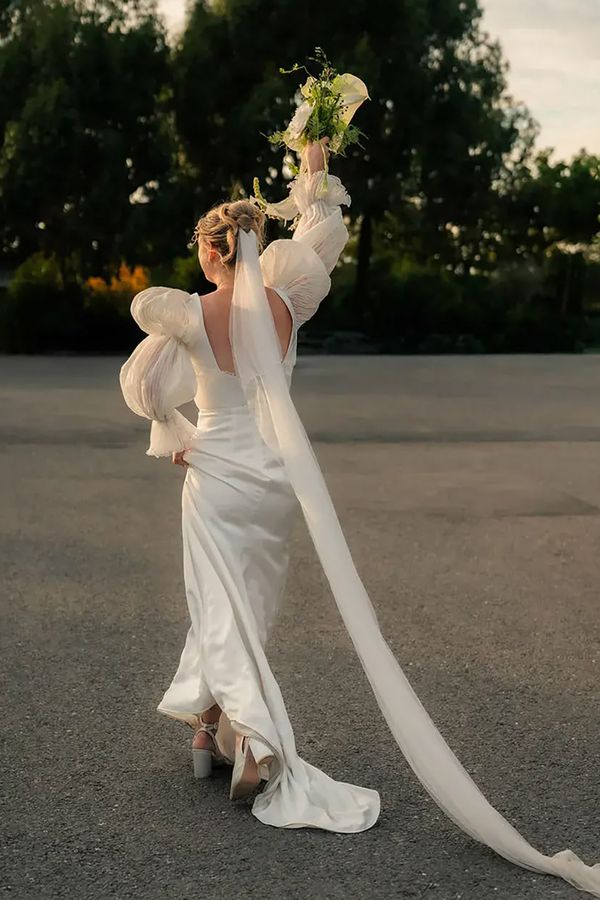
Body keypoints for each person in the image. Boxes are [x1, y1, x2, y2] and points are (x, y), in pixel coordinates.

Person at [120, 140, 600, 895]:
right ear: (252, 243)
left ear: (214, 250)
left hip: (215, 475)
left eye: (203, 249)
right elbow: (319, 231)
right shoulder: (285, 300)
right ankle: (211, 730)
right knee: (246, 608)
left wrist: (180, 438)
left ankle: (250, 740)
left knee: (217, 604)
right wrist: (313, 166)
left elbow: (143, 387)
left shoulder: (186, 311)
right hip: (274, 478)